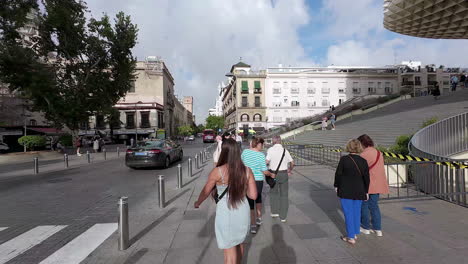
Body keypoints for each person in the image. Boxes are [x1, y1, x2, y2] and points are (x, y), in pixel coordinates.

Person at [194, 139, 257, 264]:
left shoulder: (217, 172)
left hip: (226, 213)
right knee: (240, 244)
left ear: (224, 151)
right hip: (243, 211)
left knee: (229, 249)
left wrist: (198, 202)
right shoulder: (247, 170)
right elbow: (253, 196)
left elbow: (206, 191)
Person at [334, 139, 370, 245]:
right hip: (359, 190)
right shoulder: (363, 161)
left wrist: (336, 185)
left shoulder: (344, 160)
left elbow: (338, 174)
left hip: (346, 190)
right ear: (359, 147)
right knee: (356, 212)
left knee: (348, 213)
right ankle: (354, 232)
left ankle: (351, 237)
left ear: (349, 147)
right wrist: (366, 191)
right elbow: (367, 178)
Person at [241, 137, 276, 234]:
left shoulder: (245, 152)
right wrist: (271, 174)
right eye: (262, 145)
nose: (263, 147)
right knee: (258, 198)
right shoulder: (261, 155)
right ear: (259, 144)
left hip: (246, 180)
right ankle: (257, 219)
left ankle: (252, 224)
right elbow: (265, 171)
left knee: (250, 200)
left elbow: (241, 165)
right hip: (257, 180)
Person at [358, 135, 389, 237]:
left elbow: (359, 170)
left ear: (362, 143)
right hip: (378, 183)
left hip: (367, 184)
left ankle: (365, 227)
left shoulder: (363, 155)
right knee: (374, 206)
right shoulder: (379, 153)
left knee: (364, 205)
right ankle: (378, 229)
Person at [266, 136, 294, 222]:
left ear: (273, 141)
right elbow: (292, 163)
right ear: (280, 141)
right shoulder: (285, 150)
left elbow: (266, 161)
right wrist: (290, 169)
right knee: (284, 195)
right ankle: (283, 216)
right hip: (284, 174)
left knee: (274, 193)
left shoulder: (270, 150)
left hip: (273, 174)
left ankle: (274, 212)